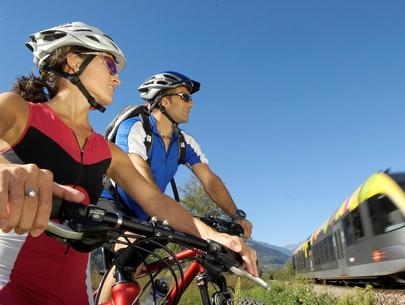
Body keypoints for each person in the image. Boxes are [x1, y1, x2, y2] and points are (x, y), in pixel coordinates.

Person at [0, 21, 257, 305]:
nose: (117, 79)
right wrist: (5, 169)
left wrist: (218, 236)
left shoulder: (106, 151)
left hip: (74, 291)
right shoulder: (17, 110)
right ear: (73, 62)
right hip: (8, 284)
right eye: (110, 66)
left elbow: (157, 202)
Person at [103, 71, 253, 237]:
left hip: (151, 210)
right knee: (128, 249)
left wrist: (236, 216)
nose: (191, 104)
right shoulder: (135, 128)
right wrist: (169, 214)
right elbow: (140, 172)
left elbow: (210, 180)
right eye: (185, 97)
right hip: (115, 203)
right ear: (165, 101)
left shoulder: (184, 142)